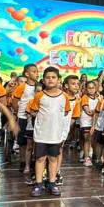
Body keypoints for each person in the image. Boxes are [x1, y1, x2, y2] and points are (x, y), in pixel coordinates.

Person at [28, 66, 73, 197]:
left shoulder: (64, 97)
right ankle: (38, 183)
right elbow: (33, 111)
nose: (50, 80)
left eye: (53, 77)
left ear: (59, 80)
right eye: (47, 77)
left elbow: (66, 113)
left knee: (53, 158)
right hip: (41, 134)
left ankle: (52, 182)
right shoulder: (39, 96)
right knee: (40, 158)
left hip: (55, 134)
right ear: (43, 80)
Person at [78, 80, 100, 166]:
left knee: (94, 140)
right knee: (87, 139)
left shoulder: (98, 98)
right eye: (89, 88)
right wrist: (97, 112)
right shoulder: (85, 98)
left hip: (95, 122)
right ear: (86, 89)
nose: (91, 90)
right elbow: (88, 112)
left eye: (93, 88)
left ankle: (94, 155)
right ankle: (86, 158)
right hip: (86, 121)